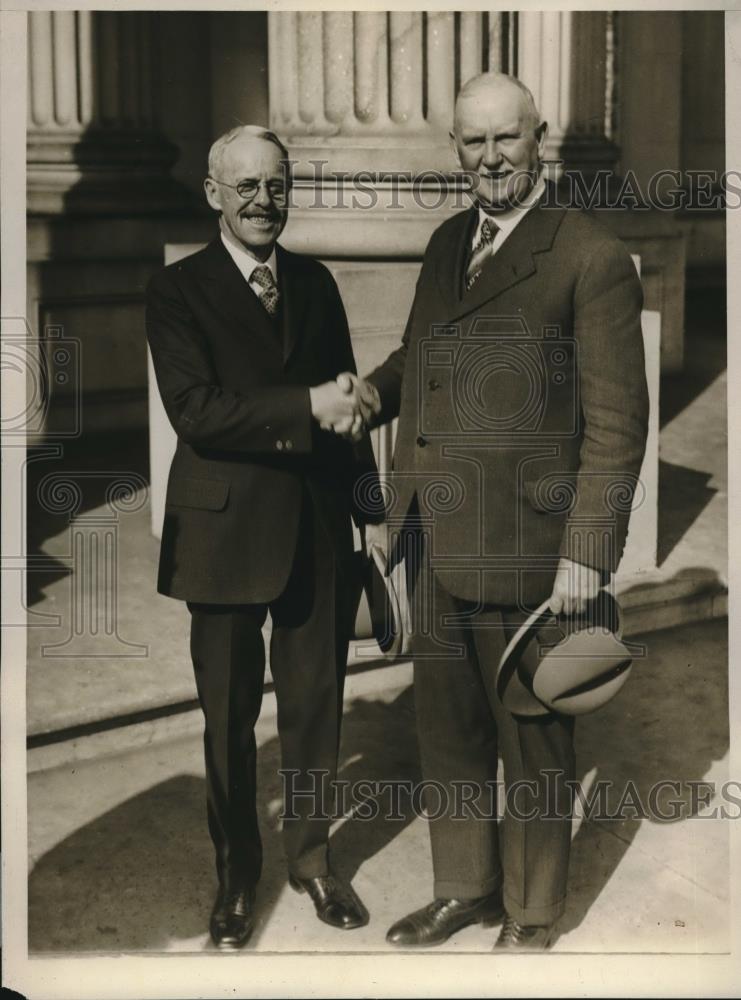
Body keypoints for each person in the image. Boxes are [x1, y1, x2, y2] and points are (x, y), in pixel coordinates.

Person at [338, 72, 650, 950]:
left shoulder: (588, 257)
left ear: (538, 137)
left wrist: (586, 552)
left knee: (534, 737)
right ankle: (463, 888)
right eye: (471, 142)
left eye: (504, 139)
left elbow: (618, 425)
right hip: (432, 537)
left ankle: (531, 914)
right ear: (454, 150)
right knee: (447, 730)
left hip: (532, 548)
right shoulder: (446, 243)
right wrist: (373, 393)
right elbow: (419, 351)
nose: (489, 158)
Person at [146, 125, 375, 949]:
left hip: (316, 527)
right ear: (213, 194)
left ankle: (311, 861)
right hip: (223, 535)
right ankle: (237, 874)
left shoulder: (314, 283)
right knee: (228, 719)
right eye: (244, 186)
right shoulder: (175, 291)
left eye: (275, 185)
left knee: (314, 708)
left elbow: (347, 408)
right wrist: (304, 406)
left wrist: (371, 515)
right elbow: (196, 411)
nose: (262, 201)